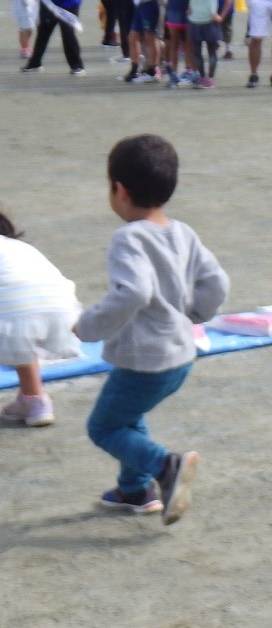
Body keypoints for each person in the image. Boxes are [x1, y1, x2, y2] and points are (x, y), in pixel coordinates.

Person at [76, 134, 229, 521]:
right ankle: (134, 490)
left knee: (104, 427)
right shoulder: (183, 232)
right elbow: (217, 283)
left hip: (145, 359)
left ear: (120, 190)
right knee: (129, 415)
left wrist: (88, 326)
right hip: (180, 355)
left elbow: (134, 292)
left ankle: (165, 467)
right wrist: (195, 313)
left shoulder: (128, 238)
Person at [0, 209, 81, 427]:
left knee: (14, 319)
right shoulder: (16, 248)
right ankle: (34, 399)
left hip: (17, 322)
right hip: (62, 318)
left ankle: (33, 398)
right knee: (19, 320)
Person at [185, 0, 232, 90]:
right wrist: (189, 7)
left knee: (212, 51)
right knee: (196, 52)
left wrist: (221, 16)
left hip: (210, 22)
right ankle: (201, 76)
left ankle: (210, 78)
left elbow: (229, 0)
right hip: (194, 21)